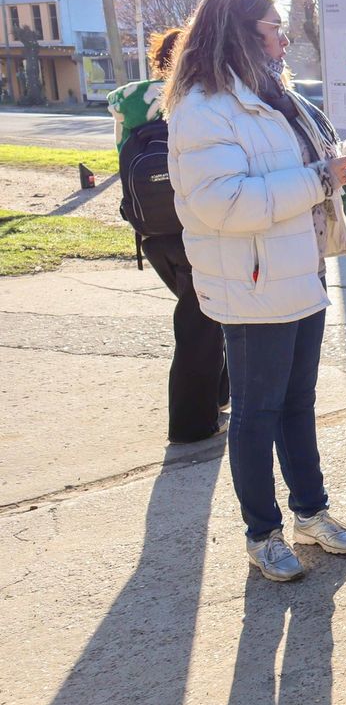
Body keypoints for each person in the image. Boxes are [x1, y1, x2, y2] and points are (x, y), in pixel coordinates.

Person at [165, 0, 346, 582]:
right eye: (274, 28)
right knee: (255, 414)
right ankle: (262, 533)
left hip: (300, 269)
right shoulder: (203, 109)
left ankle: (310, 514)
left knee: (298, 403)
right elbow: (227, 204)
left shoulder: (275, 96)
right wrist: (324, 177)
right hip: (251, 282)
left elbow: (305, 162)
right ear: (240, 34)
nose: (284, 38)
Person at [108, 28, 229, 444]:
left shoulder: (128, 102)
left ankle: (221, 391)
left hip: (152, 232)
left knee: (204, 316)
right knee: (199, 325)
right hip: (194, 227)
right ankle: (192, 425)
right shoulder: (203, 97)